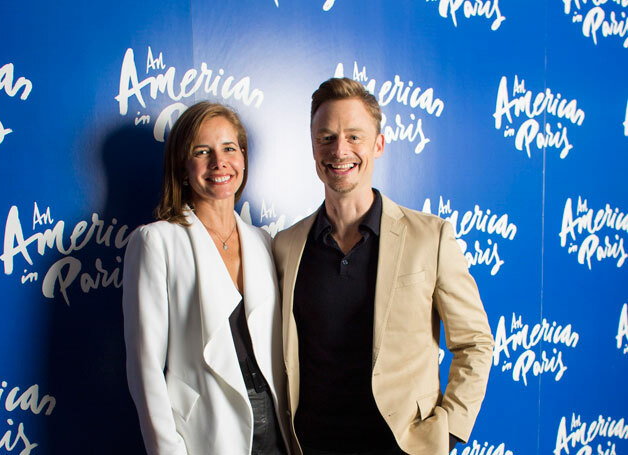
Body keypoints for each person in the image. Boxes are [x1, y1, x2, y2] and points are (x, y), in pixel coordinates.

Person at [273, 78, 494, 455]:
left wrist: (449, 431)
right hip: (312, 445)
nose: (339, 150)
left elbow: (475, 343)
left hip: (401, 447)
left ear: (378, 144)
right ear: (313, 147)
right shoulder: (286, 245)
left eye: (354, 136)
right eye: (326, 137)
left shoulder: (431, 237)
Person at [123, 101, 288, 455]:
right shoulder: (156, 241)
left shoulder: (263, 241)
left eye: (229, 148)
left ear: (243, 157)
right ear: (183, 166)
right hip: (206, 433)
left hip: (276, 428)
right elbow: (145, 368)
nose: (219, 162)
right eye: (203, 151)